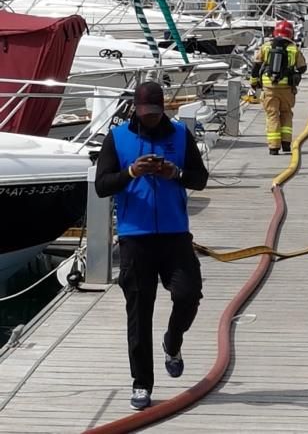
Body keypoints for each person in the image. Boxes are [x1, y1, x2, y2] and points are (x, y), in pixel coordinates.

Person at [95, 81, 208, 411]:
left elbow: (199, 179)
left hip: (175, 235)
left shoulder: (178, 135)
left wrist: (175, 172)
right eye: (145, 114)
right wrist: (131, 171)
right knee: (139, 313)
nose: (151, 120)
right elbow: (102, 186)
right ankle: (142, 382)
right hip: (135, 237)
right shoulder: (118, 138)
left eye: (156, 114)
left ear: (164, 110)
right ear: (135, 110)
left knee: (189, 294)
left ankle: (173, 341)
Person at [250, 20, 307, 154]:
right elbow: (302, 67)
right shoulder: (294, 48)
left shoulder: (266, 47)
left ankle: (274, 147)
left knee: (272, 115)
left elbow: (256, 66)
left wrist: (254, 82)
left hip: (269, 87)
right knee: (286, 113)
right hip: (287, 88)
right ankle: (286, 144)